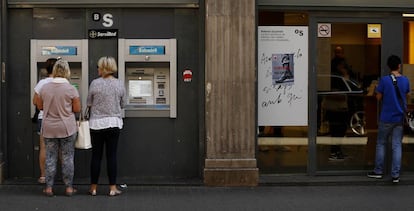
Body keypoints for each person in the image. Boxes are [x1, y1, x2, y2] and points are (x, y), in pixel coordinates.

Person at [37, 59, 81, 196]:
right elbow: (77, 108)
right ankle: (69, 188)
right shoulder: (71, 88)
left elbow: (39, 106)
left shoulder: (44, 88)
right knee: (67, 157)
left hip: (49, 127)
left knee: (50, 157)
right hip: (67, 127)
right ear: (67, 72)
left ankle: (49, 188)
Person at [87, 56, 126, 196]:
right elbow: (123, 104)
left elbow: (89, 103)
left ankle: (93, 188)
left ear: (103, 68)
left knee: (96, 156)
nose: (97, 69)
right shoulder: (119, 84)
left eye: (98, 67)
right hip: (113, 123)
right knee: (112, 156)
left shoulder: (94, 83)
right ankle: (112, 188)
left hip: (96, 124)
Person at [367, 55, 410, 183]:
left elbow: (378, 98)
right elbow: (407, 95)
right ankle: (395, 175)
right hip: (399, 118)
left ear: (388, 66)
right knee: (396, 145)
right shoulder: (405, 80)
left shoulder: (384, 80)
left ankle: (378, 171)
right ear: (399, 66)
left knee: (381, 143)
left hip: (386, 117)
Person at [32, 58, 57, 184]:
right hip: (60, 119)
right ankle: (64, 177)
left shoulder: (42, 83)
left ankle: (43, 176)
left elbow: (35, 102)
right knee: (62, 149)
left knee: (44, 148)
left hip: (44, 118)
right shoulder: (65, 82)